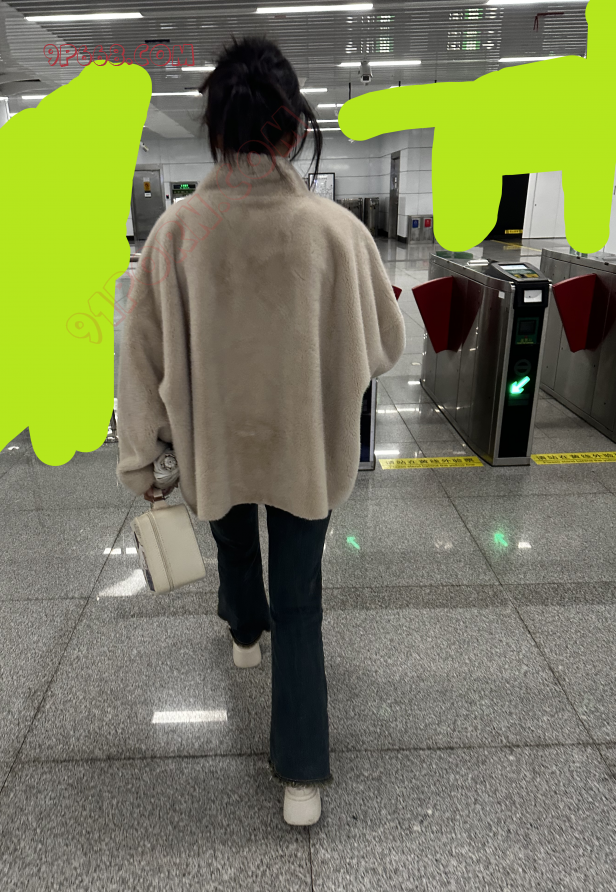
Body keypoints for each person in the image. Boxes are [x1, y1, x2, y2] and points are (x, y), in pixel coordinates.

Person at [115, 35, 406, 826]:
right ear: (295, 126)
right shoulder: (334, 230)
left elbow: (139, 357)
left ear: (216, 128)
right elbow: (385, 345)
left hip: (215, 442)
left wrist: (142, 457)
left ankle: (245, 632)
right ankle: (302, 776)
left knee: (235, 544)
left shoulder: (178, 231)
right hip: (304, 449)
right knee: (301, 602)